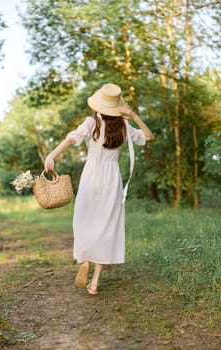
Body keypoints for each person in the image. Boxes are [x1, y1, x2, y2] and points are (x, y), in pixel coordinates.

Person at [44, 83, 154, 295]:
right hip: (112, 178)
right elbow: (149, 137)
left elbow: (70, 139)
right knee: (107, 225)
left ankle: (85, 260)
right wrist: (134, 117)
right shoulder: (124, 126)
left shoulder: (90, 123)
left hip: (91, 175)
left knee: (84, 220)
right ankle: (94, 282)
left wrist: (52, 155)